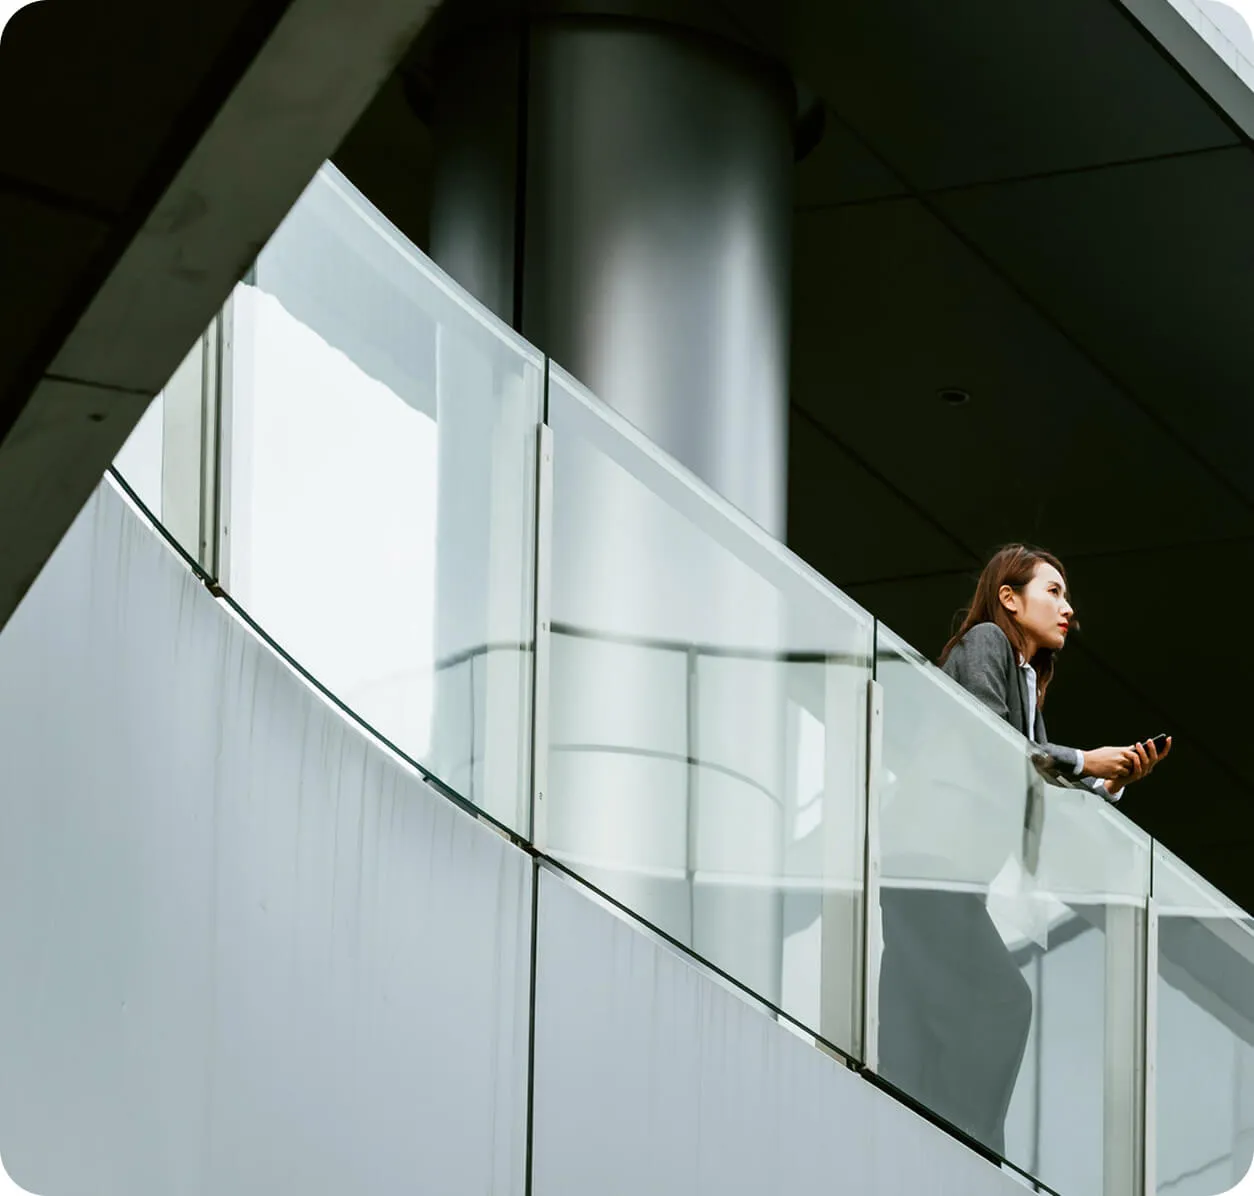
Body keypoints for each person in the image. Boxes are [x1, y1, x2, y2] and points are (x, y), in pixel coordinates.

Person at [878, 544, 1170, 1161]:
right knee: (1002, 1002)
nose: (1069, 610)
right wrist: (1085, 760)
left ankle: (922, 1150)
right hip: (930, 868)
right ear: (1009, 597)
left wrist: (1107, 780)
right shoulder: (987, 640)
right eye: (1053, 592)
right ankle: (964, 1155)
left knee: (915, 1035)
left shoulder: (1026, 678)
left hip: (934, 872)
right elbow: (992, 741)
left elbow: (1029, 773)